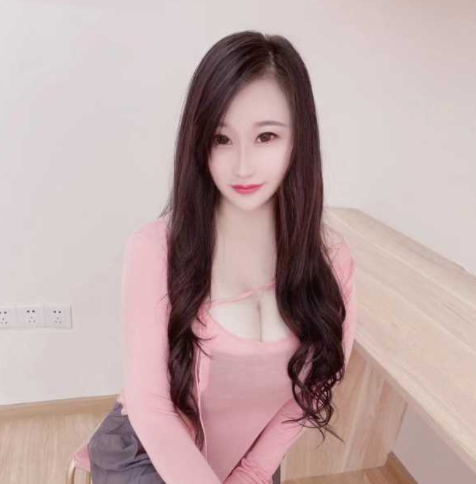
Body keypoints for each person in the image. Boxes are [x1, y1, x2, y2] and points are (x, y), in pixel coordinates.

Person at [88, 30, 357, 484]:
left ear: (299, 140)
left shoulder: (332, 261)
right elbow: (152, 409)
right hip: (148, 455)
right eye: (221, 139)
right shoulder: (155, 249)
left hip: (244, 462)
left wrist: (251, 473)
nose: (243, 165)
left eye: (266, 136)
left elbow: (311, 389)